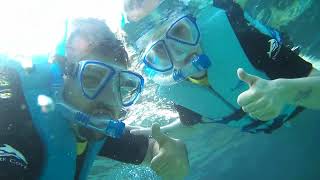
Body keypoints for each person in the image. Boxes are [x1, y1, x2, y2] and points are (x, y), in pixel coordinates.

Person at [0, 18, 189, 180]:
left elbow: (154, 147)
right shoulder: (16, 124)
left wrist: (170, 151)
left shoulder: (94, 129)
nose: (109, 99)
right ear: (62, 79)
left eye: (121, 86)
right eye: (92, 79)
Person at [130, 0, 320, 136]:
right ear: (153, 62)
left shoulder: (240, 37)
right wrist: (157, 133)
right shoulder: (175, 88)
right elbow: (195, 122)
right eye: (161, 51)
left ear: (194, 23)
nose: (179, 53)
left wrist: (282, 92)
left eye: (180, 31)